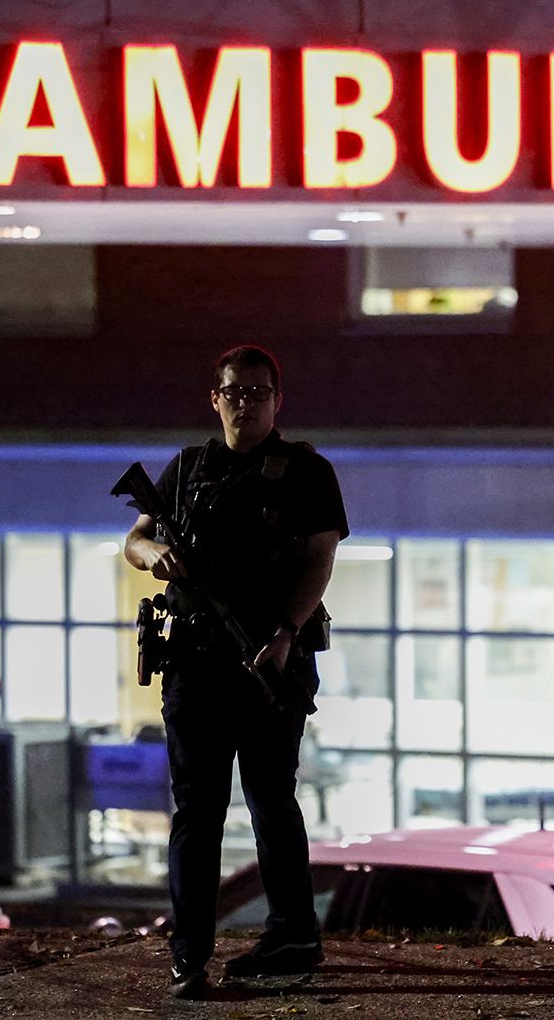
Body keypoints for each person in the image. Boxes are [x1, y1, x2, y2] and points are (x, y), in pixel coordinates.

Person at [123, 344, 347, 1000]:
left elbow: (319, 559)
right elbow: (134, 538)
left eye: (257, 392)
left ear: (278, 400)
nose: (245, 403)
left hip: (269, 661)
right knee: (198, 809)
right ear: (214, 399)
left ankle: (293, 935)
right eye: (234, 392)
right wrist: (156, 553)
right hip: (195, 665)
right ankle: (189, 950)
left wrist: (283, 634)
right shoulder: (188, 468)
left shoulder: (305, 471)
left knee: (271, 800)